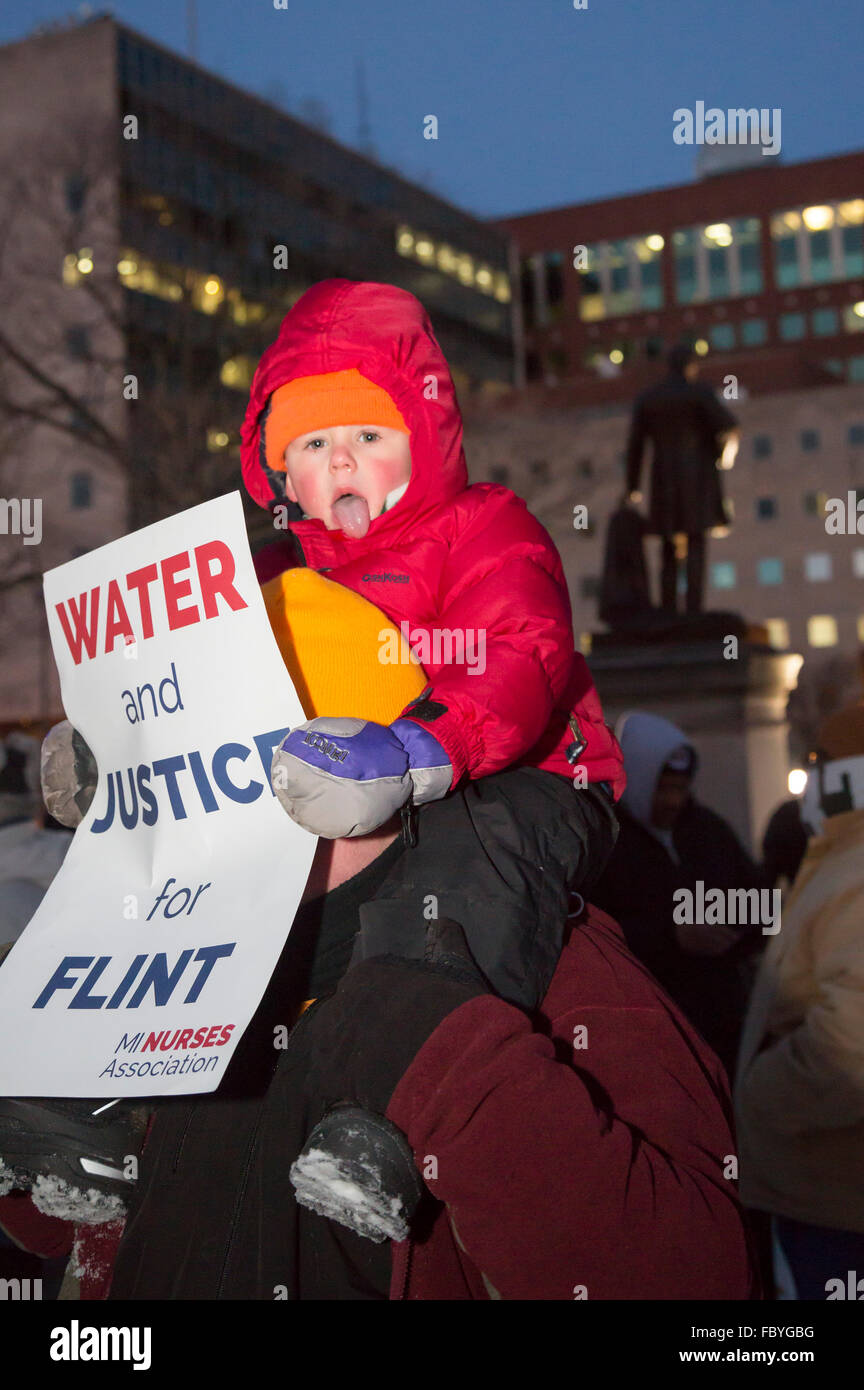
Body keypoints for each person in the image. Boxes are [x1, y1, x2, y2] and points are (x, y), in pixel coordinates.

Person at [0, 586, 757, 1300]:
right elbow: (69, 1225)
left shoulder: (549, 964)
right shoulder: (177, 948)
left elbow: (697, 1273)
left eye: (234, 777)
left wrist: (450, 1058)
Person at [736, 703, 864, 1300]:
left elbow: (854, 1039)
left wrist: (760, 1096)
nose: (809, 779)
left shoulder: (856, 868)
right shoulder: (839, 854)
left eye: (820, 763)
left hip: (834, 1192)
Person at [590, 711, 770, 1079]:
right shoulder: (604, 843)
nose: (673, 800)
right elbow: (594, 932)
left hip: (725, 1023)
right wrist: (671, 936)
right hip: (650, 1030)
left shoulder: (707, 831)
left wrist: (729, 924)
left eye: (680, 788)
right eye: (663, 787)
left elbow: (762, 903)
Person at [624, 345, 740, 615]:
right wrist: (722, 457)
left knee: (667, 545)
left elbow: (635, 448)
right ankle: (693, 609)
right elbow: (729, 426)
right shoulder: (698, 392)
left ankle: (668, 609)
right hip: (697, 479)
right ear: (690, 365)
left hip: (663, 479)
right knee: (696, 541)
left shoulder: (649, 398)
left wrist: (632, 488)